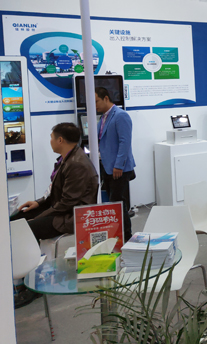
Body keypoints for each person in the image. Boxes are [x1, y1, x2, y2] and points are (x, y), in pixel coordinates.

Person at [10, 122, 98, 307]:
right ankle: (17, 275)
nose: (50, 141)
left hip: (73, 217)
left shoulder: (77, 164)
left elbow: (67, 202)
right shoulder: (67, 159)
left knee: (28, 229)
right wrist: (38, 204)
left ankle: (33, 285)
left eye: (51, 138)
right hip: (63, 209)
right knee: (16, 219)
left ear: (60, 140)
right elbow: (55, 194)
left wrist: (39, 217)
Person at [95, 87, 136, 241]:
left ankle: (126, 236)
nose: (94, 105)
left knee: (117, 203)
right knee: (115, 203)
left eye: (96, 101)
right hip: (106, 167)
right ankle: (119, 236)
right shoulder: (103, 118)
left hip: (119, 169)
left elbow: (125, 142)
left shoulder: (120, 115)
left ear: (106, 98)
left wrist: (119, 165)